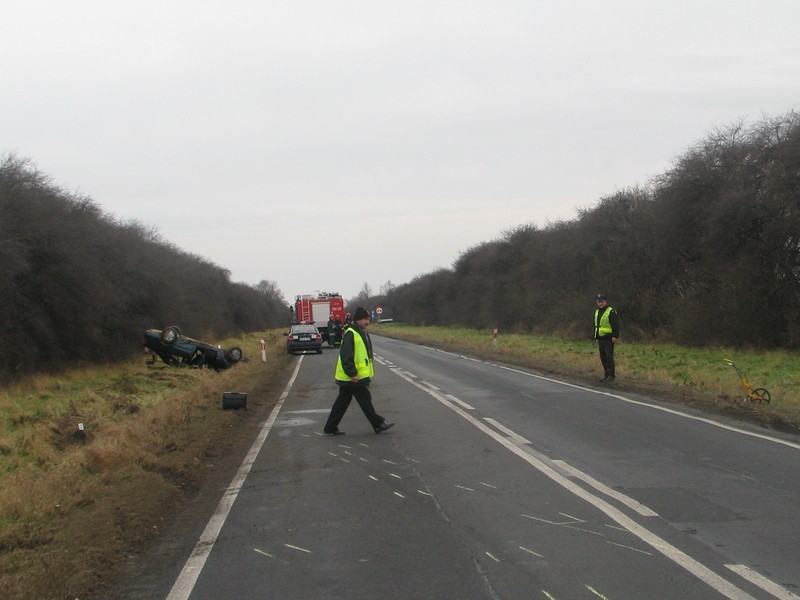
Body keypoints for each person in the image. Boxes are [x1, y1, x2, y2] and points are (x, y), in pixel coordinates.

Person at [324, 307, 394, 435]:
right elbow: (346, 356)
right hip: (353, 377)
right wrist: (352, 373)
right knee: (364, 400)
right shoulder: (351, 333)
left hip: (351, 377)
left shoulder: (360, 332)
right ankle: (377, 424)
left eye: (368, 319)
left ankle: (330, 427)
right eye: (365, 319)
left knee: (342, 403)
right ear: (358, 320)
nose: (368, 321)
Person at [593, 294, 619, 382]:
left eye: (601, 302)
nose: (600, 303)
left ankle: (611, 375)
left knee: (609, 357)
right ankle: (606, 374)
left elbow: (615, 324)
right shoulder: (597, 312)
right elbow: (597, 326)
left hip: (609, 338)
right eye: (598, 302)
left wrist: (615, 336)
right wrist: (596, 337)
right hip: (600, 338)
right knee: (603, 357)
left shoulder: (610, 311)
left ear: (605, 302)